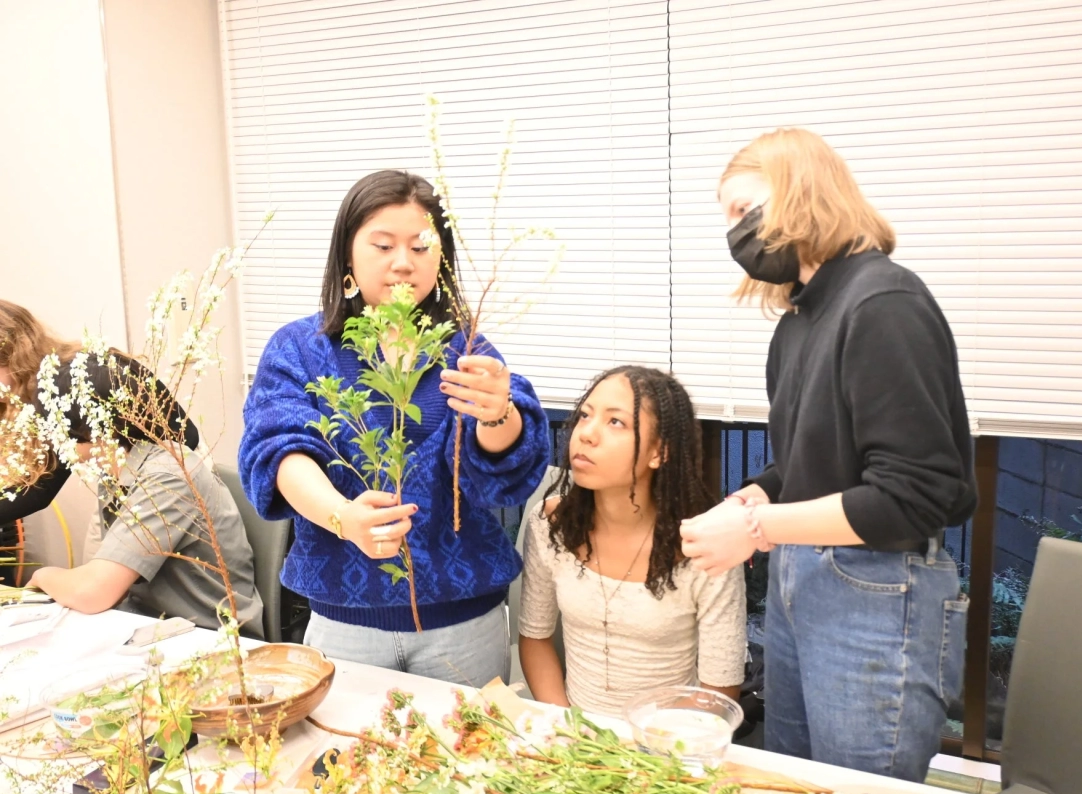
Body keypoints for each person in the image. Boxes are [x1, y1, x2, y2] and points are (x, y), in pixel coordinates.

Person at [678, 128, 976, 782]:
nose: (733, 233)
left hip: (876, 589)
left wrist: (753, 531)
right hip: (800, 582)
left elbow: (911, 495)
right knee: (796, 782)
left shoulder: (884, 304)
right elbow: (808, 463)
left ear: (800, 192)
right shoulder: (798, 324)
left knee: (858, 789)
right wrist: (754, 495)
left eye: (742, 209)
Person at [238, 169, 551, 687]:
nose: (403, 262)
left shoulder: (465, 349)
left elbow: (502, 472)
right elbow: (279, 452)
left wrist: (498, 413)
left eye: (422, 247)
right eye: (383, 245)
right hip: (345, 621)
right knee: (347, 761)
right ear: (348, 255)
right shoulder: (298, 350)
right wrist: (342, 516)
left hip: (464, 622)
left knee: (463, 757)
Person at [0, 300, 263, 636]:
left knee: (94, 588)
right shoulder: (115, 472)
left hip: (208, 636)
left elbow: (92, 590)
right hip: (146, 607)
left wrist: (42, 577)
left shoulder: (81, 381)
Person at [519, 366, 746, 717]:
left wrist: (645, 750)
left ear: (659, 452)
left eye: (616, 423)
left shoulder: (706, 545)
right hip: (574, 741)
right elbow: (534, 637)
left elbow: (720, 687)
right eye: (585, 415)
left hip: (668, 746)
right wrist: (570, 728)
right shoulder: (552, 526)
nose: (587, 434)